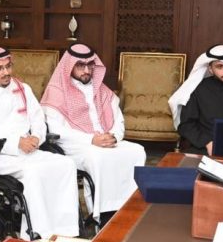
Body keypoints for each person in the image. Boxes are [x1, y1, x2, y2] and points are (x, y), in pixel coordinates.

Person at [0, 46, 80, 239]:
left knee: (67, 164)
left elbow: (38, 119)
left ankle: (65, 227)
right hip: (0, 156)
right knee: (34, 172)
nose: (6, 72)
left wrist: (37, 137)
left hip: (30, 151)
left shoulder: (23, 88)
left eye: (8, 66)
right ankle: (37, 232)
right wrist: (16, 143)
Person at [41, 44, 146, 226]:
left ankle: (128, 207)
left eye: (90, 65)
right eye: (80, 65)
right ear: (69, 66)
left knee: (137, 150)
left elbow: (118, 121)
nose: (87, 70)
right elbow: (56, 130)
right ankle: (100, 214)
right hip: (74, 144)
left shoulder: (102, 90)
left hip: (104, 140)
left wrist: (114, 136)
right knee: (97, 157)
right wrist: (91, 139)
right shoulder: (56, 92)